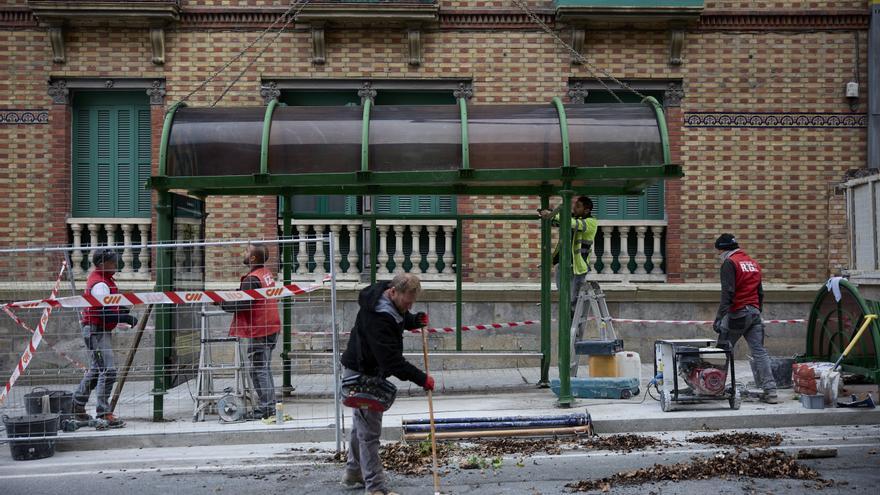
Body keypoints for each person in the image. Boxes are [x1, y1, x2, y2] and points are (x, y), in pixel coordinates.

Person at [340, 273, 431, 495]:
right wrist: (422, 379)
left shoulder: (386, 300)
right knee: (369, 433)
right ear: (393, 292)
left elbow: (399, 318)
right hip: (363, 375)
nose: (408, 306)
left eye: (412, 303)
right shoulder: (378, 318)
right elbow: (392, 362)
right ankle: (375, 488)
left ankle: (354, 472)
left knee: (361, 425)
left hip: (366, 369)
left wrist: (413, 320)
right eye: (407, 302)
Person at [73, 249, 138, 428]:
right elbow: (105, 313)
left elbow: (106, 307)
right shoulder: (100, 283)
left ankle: (77, 405)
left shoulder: (103, 280)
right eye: (112, 261)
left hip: (97, 330)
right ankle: (103, 412)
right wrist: (124, 317)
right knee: (107, 371)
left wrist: (120, 310)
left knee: (96, 370)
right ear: (102, 263)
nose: (116, 263)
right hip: (96, 332)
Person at [712, 233, 778, 404]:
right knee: (759, 352)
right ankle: (770, 390)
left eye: (718, 252)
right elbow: (760, 292)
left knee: (722, 351)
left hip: (738, 313)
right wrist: (756, 311)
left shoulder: (729, 263)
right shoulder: (753, 263)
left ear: (723, 249)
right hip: (754, 312)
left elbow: (728, 293)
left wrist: (719, 318)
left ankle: (713, 386)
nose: (718, 255)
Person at [220, 244, 281, 420]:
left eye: (246, 251)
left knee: (259, 369)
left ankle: (266, 409)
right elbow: (245, 296)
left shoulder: (252, 279)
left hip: (260, 328)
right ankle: (268, 406)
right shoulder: (265, 274)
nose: (243, 253)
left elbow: (242, 303)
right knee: (263, 368)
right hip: (270, 326)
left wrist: (220, 302)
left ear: (253, 258)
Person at [538, 195, 598, 312]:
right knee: (564, 299)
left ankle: (572, 328)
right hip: (564, 266)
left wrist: (554, 215)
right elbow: (556, 221)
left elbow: (573, 223)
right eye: (575, 206)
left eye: (578, 207)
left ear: (586, 210)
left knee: (573, 301)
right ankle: (569, 324)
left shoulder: (591, 222)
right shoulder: (573, 219)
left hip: (578, 268)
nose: (574, 208)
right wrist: (547, 214)